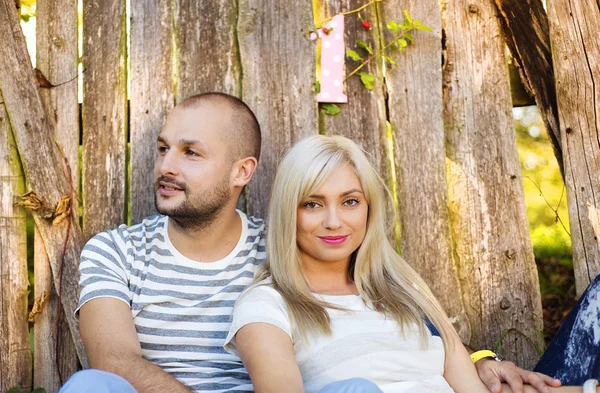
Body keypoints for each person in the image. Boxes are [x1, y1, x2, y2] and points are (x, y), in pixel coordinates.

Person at [61, 93, 561, 393]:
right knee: (88, 386)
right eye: (165, 148)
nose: (167, 166)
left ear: (242, 172)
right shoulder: (115, 250)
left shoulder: (285, 244)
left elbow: (378, 302)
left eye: (191, 153)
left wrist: (477, 361)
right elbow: (114, 362)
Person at [223, 135, 600, 393]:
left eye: (350, 201)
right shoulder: (266, 305)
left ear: (369, 209)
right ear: (290, 212)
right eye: (312, 203)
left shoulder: (404, 292)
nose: (334, 221)